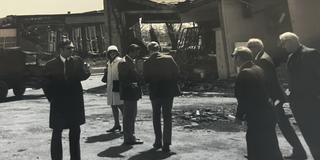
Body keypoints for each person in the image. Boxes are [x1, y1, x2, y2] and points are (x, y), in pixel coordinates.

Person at [247, 38, 306, 159]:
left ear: (255, 47)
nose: (249, 51)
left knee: (283, 126)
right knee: (279, 126)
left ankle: (299, 152)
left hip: (273, 98)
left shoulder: (262, 60)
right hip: (274, 98)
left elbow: (268, 82)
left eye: (250, 48)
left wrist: (271, 99)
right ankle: (297, 151)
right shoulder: (262, 57)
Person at [43, 38, 91, 160]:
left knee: (75, 133)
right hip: (58, 105)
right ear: (61, 49)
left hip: (74, 104)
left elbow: (82, 76)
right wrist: (52, 99)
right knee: (57, 133)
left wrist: (87, 72)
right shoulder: (50, 65)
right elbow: (46, 85)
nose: (72, 50)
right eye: (69, 48)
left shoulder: (78, 61)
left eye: (72, 48)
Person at [233, 46, 283, 160]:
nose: (234, 60)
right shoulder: (258, 68)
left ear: (239, 58)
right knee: (272, 146)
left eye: (234, 57)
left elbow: (244, 99)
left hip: (257, 117)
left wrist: (239, 117)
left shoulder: (244, 73)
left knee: (255, 148)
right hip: (268, 114)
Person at [279, 32, 320, 160]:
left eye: (284, 44)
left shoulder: (310, 53)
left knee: (315, 134)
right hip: (298, 104)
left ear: (290, 41)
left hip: (312, 102)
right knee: (308, 134)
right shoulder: (291, 56)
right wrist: (288, 91)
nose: (283, 47)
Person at [143, 41, 181, 152]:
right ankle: (166, 144)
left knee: (156, 116)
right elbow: (177, 73)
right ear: (158, 48)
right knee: (167, 116)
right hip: (168, 92)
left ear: (149, 50)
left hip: (155, 92)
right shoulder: (169, 59)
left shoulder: (147, 62)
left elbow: (146, 79)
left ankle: (158, 141)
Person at [118, 44, 144, 145]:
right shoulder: (124, 62)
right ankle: (129, 137)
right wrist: (132, 84)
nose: (138, 54)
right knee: (129, 116)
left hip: (131, 92)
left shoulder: (128, 61)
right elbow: (123, 79)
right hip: (129, 93)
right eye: (137, 52)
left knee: (131, 115)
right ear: (131, 51)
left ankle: (130, 136)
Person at [106, 45, 124, 133]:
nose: (112, 54)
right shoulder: (108, 62)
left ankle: (126, 126)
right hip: (110, 86)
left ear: (117, 52)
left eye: (114, 52)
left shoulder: (120, 61)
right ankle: (117, 124)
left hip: (117, 85)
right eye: (110, 52)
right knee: (113, 105)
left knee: (121, 106)